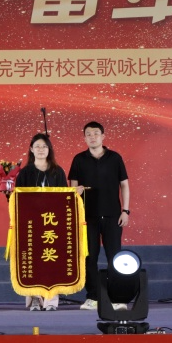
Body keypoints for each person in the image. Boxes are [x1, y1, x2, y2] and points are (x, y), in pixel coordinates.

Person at [68, 121, 130, 310]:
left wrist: (126, 210)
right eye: (88, 134)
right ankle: (93, 297)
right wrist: (75, 192)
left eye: (96, 133)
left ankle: (117, 297)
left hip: (113, 215)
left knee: (115, 257)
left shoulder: (115, 158)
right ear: (84, 138)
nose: (92, 137)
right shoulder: (79, 159)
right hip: (87, 217)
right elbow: (72, 188)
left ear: (103, 136)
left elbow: (124, 185)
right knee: (89, 257)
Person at [15, 133, 69, 311]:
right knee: (33, 261)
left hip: (52, 223)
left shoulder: (58, 171)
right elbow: (17, 199)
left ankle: (51, 299)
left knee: (52, 260)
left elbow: (64, 197)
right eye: (37, 146)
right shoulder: (25, 173)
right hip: (32, 223)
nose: (40, 149)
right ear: (31, 149)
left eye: (44, 146)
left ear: (49, 149)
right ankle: (35, 299)